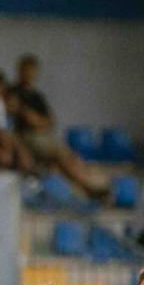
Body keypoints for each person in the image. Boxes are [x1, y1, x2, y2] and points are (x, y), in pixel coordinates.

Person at [10, 55, 107, 198]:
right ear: (20, 70)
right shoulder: (13, 92)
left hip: (43, 135)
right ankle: (86, 187)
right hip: (26, 137)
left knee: (71, 157)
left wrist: (39, 121)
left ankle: (88, 185)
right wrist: (37, 121)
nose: (30, 74)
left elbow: (50, 120)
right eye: (27, 70)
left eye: (32, 71)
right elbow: (30, 120)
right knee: (60, 157)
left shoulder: (37, 95)